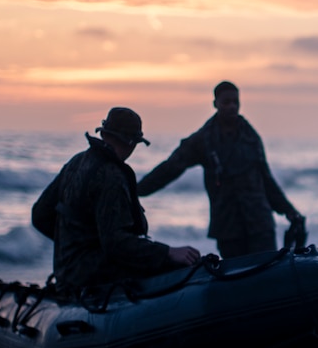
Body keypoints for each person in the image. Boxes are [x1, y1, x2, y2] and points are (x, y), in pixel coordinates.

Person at [32, 107, 201, 296]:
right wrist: (168, 252)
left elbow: (39, 216)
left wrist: (73, 243)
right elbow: (116, 244)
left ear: (103, 133)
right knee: (180, 268)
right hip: (90, 276)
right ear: (131, 143)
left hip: (66, 272)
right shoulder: (111, 176)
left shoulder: (76, 162)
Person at [136, 81, 304, 258]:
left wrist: (289, 210)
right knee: (236, 280)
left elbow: (266, 179)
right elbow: (170, 168)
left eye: (235, 102)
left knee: (268, 276)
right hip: (228, 227)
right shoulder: (202, 140)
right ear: (215, 104)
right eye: (226, 102)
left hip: (260, 223)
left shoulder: (251, 136)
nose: (232, 107)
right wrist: (137, 190)